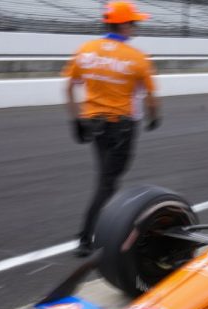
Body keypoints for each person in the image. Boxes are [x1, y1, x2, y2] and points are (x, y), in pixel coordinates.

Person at [62, 1, 161, 257]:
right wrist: (154, 116)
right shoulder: (137, 57)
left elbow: (69, 87)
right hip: (122, 128)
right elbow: (151, 95)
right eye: (134, 23)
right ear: (125, 25)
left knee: (107, 179)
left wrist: (76, 120)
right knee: (108, 183)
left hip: (94, 124)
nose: (136, 28)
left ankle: (101, 228)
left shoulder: (85, 50)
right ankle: (87, 238)